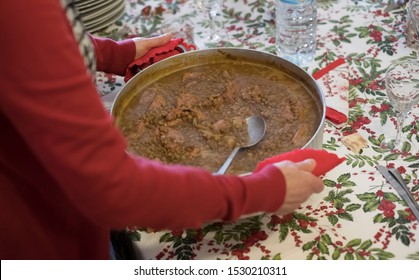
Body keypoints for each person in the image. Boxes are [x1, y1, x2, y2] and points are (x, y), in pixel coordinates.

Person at [0, 0, 324, 260]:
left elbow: (27, 40)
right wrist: (262, 191)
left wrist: (112, 54)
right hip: (37, 240)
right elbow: (113, 188)